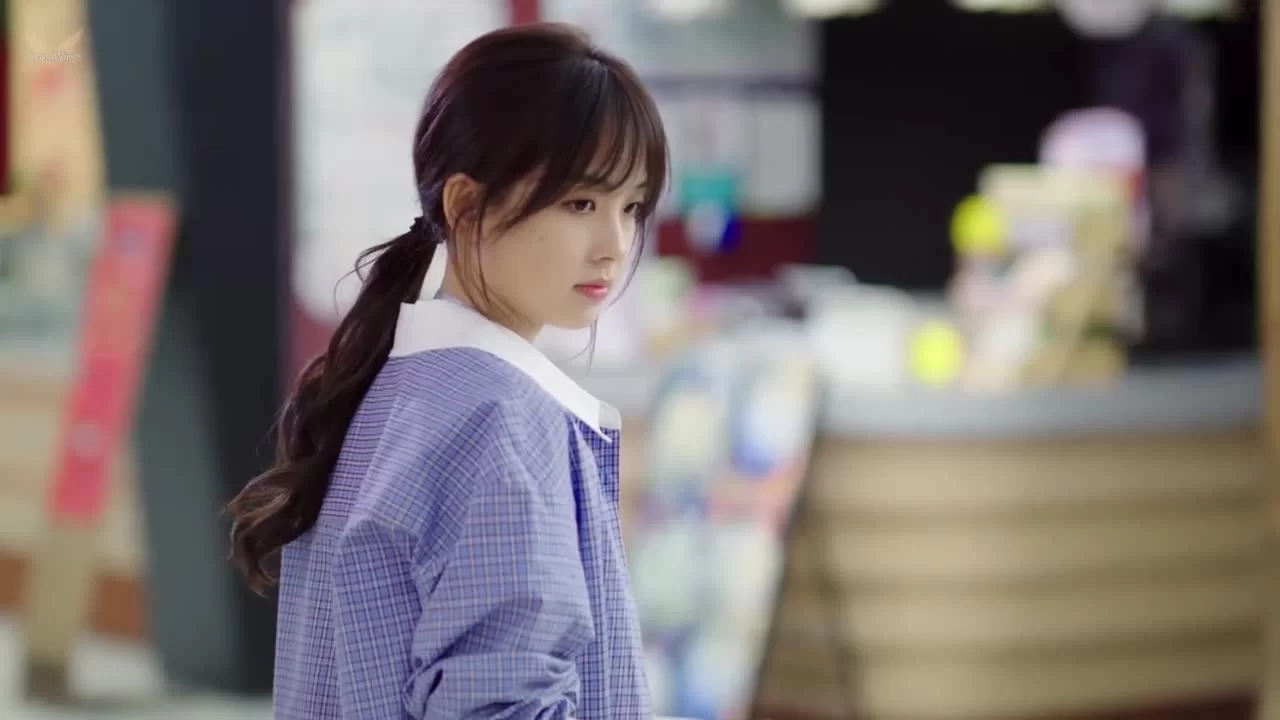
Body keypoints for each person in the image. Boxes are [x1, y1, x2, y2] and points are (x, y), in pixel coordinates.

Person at [226, 23, 668, 719]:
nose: (614, 244)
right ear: (465, 205)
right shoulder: (499, 418)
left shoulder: (393, 386)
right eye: (580, 202)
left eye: (632, 206)